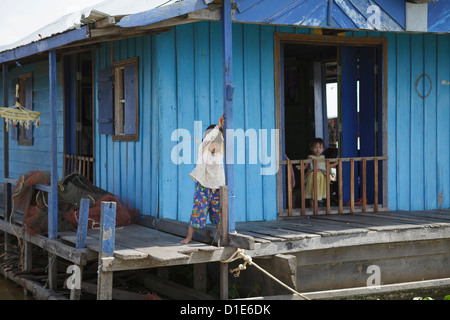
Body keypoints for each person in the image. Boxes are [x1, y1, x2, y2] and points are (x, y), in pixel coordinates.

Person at [180, 114, 225, 244]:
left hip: (217, 189)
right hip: (203, 188)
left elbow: (223, 139)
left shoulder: (220, 153)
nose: (214, 146)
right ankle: (188, 237)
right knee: (197, 213)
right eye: (213, 142)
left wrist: (222, 129)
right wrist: (218, 127)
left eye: (218, 143)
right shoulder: (203, 150)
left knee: (218, 216)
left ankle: (221, 239)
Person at [297, 138, 336, 207]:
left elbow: (327, 166)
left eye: (320, 147)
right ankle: (313, 208)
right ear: (311, 148)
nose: (317, 149)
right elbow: (305, 167)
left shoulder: (323, 158)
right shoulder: (310, 157)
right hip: (312, 177)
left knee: (318, 192)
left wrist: (336, 163)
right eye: (315, 147)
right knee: (312, 192)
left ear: (323, 149)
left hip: (321, 178)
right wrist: (300, 167)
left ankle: (317, 208)